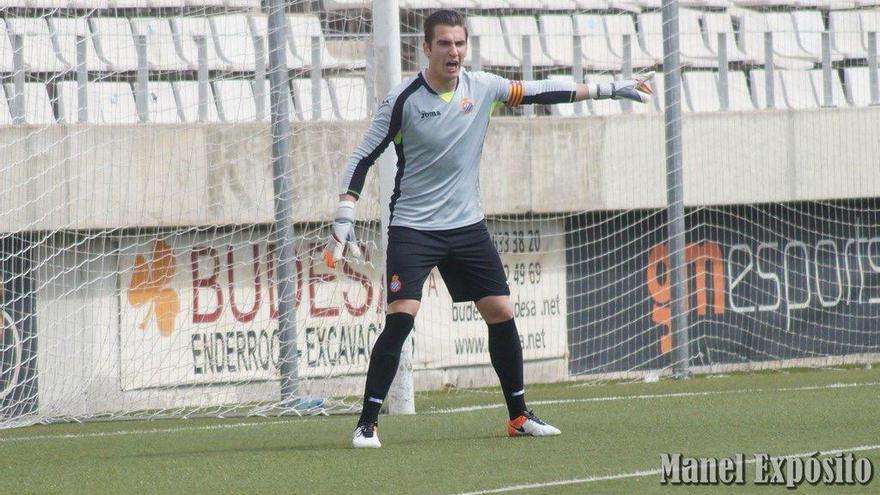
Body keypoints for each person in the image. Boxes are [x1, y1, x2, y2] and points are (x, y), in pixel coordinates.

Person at [324, 9, 653, 449]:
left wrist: (609, 88)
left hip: (466, 227)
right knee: (401, 318)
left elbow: (540, 91)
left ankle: (518, 417)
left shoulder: (482, 88)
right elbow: (361, 157)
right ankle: (367, 423)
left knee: (500, 311)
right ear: (426, 48)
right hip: (414, 228)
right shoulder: (403, 99)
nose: (453, 51)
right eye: (444, 43)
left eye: (459, 43)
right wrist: (345, 214)